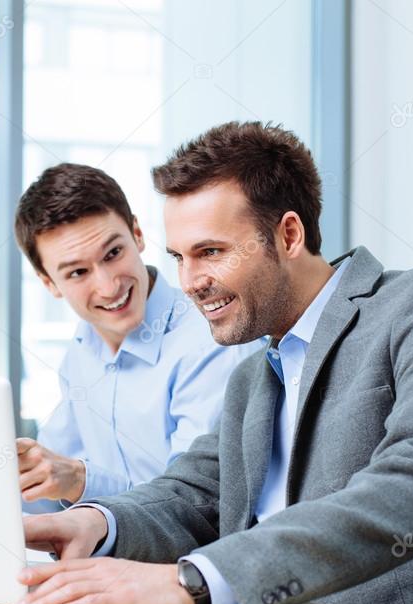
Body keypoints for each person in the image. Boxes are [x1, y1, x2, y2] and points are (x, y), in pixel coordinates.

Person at [13, 123, 413, 604]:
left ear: (289, 235)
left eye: (211, 252)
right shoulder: (256, 373)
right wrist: (94, 524)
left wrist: (191, 579)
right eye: (179, 256)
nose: (190, 281)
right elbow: (194, 492)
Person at [13, 163, 260, 511]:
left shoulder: (212, 342)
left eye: (113, 254)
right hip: (107, 557)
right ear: (50, 283)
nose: (109, 286)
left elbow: (192, 507)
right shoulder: (83, 349)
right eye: (78, 272)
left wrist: (79, 481)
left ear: (138, 234)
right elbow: (48, 482)